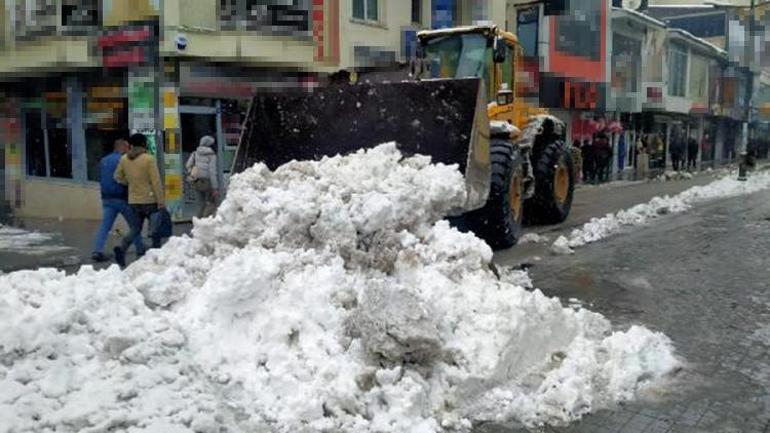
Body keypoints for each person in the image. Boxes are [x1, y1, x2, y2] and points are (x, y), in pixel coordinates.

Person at [113, 133, 166, 267]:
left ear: (131, 145)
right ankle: (156, 255)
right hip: (149, 199)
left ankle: (122, 247)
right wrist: (160, 200)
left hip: (133, 200)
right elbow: (155, 181)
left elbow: (117, 176)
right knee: (155, 230)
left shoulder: (124, 159)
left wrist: (129, 183)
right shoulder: (148, 159)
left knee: (135, 228)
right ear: (144, 144)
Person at [91, 139, 144, 262]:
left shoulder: (104, 160)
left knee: (105, 226)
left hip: (106, 198)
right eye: (127, 148)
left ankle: (97, 250)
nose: (129, 150)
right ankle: (140, 247)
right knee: (134, 224)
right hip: (121, 198)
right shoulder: (123, 160)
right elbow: (128, 178)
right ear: (123, 148)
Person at [185, 135, 220, 218]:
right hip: (207, 182)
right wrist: (215, 188)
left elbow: (188, 165)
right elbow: (212, 172)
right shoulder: (211, 155)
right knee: (212, 203)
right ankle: (204, 221)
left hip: (197, 181)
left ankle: (198, 221)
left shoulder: (195, 153)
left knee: (201, 203)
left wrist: (193, 172)